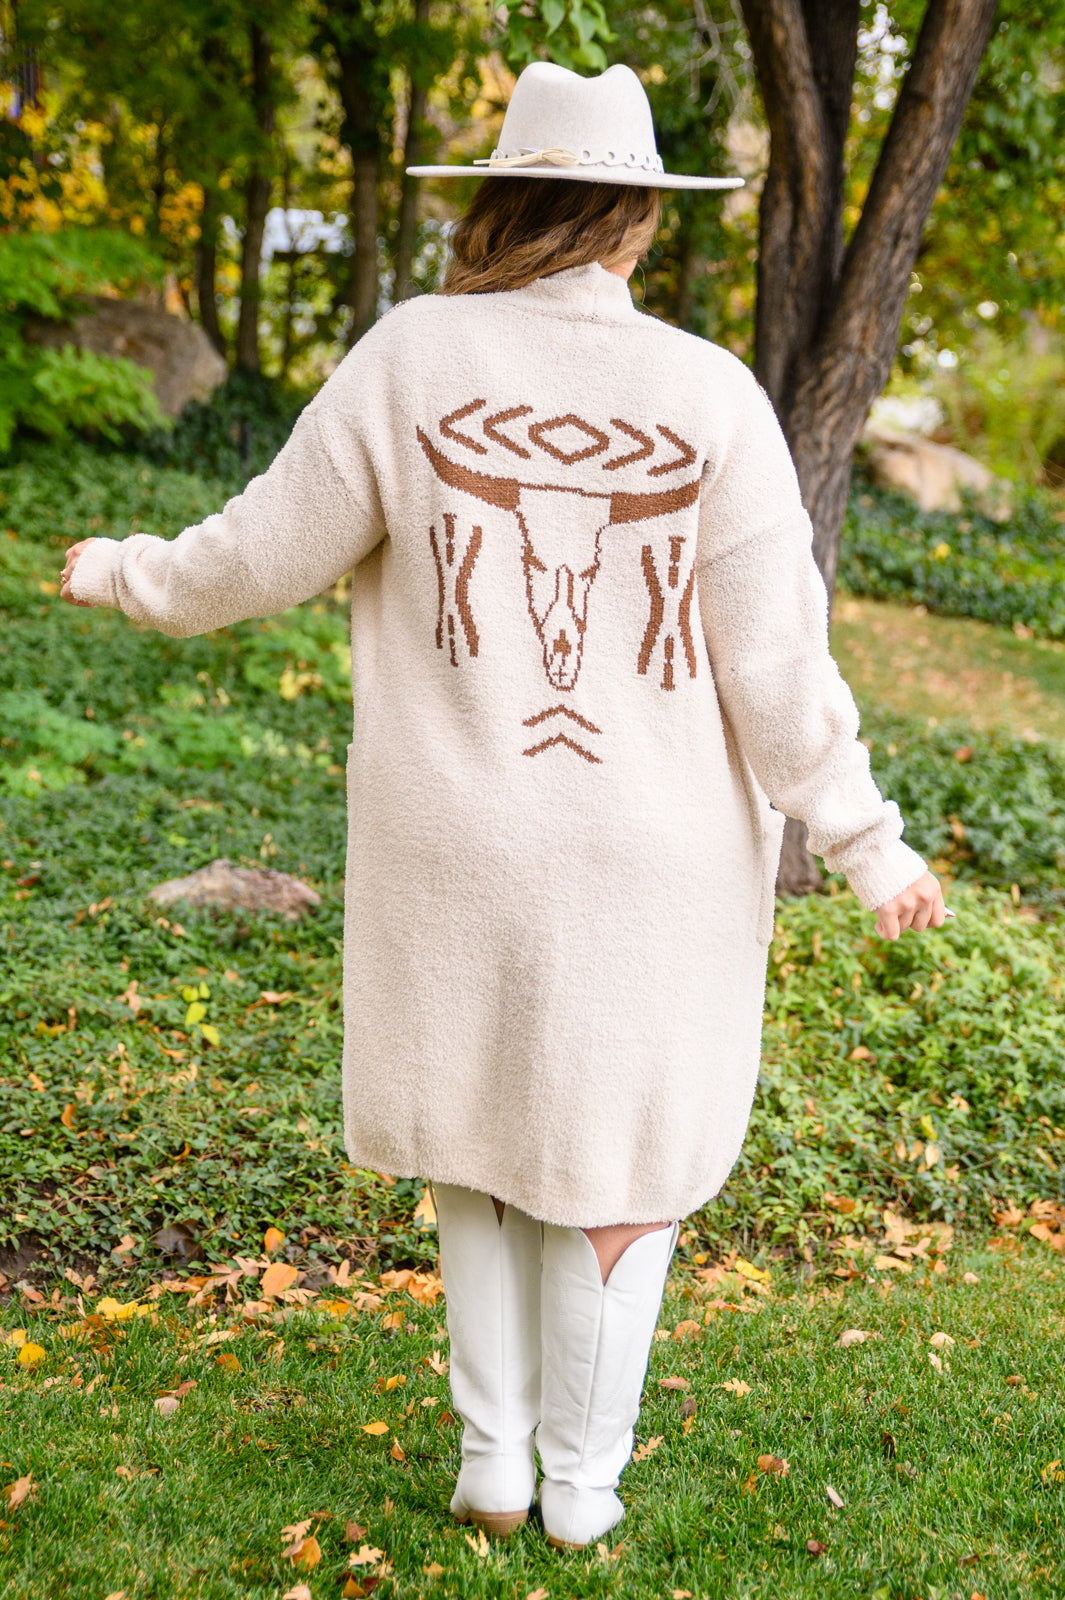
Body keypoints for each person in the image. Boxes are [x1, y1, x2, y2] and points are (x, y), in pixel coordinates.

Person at [61, 60, 946, 1553]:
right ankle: (580, 1489)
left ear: (500, 198)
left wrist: (123, 571)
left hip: (452, 840)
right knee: (622, 1156)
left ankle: (491, 1467)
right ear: (634, 224)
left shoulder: (409, 359)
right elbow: (776, 671)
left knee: (475, 1133)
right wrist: (865, 841)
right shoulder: (709, 396)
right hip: (652, 860)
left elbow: (251, 556)